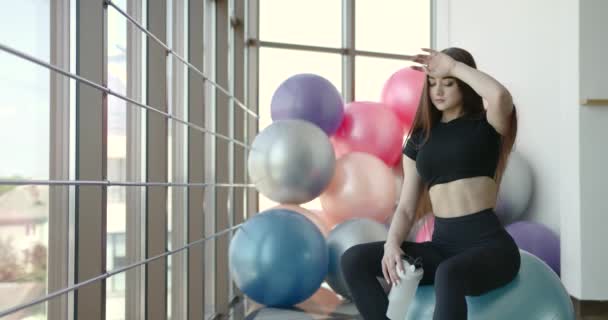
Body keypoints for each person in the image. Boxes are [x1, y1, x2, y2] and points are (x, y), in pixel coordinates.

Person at [340, 47, 520, 320]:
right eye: (433, 83)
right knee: (353, 260)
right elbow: (406, 209)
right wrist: (392, 244)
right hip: (443, 246)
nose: (439, 91)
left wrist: (452, 66)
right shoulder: (419, 140)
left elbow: (500, 96)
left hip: (490, 247)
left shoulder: (487, 125)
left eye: (448, 83)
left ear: (464, 86)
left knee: (449, 273)